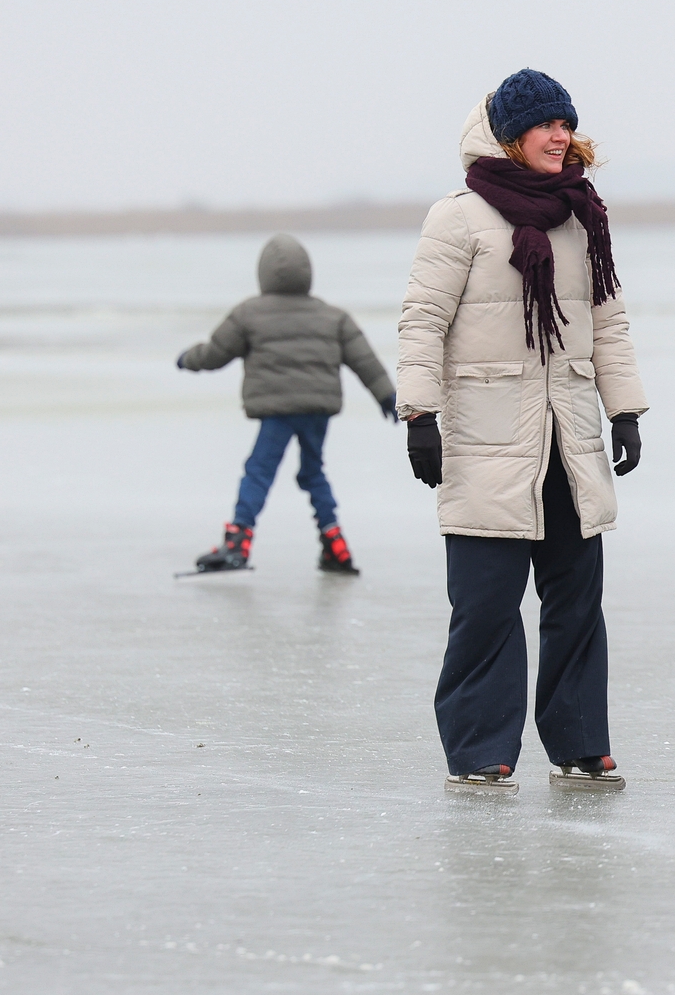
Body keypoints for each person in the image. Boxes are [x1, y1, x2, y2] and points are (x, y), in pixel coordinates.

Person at [396, 69, 648, 793]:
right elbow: (422, 321)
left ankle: (580, 743)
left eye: (566, 124)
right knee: (485, 607)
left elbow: (607, 320)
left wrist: (624, 410)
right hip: (486, 438)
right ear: (510, 135)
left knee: (576, 603)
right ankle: (481, 749)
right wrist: (420, 416)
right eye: (545, 125)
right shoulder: (459, 218)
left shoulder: (581, 213)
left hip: (568, 439)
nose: (560, 136)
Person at [179, 233, 397, 576]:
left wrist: (187, 359)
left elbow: (215, 353)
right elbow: (364, 360)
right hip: (317, 411)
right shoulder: (333, 316)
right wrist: (386, 395)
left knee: (259, 470)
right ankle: (335, 542)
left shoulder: (248, 313)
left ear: (263, 274)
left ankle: (238, 541)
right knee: (313, 472)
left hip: (278, 412)